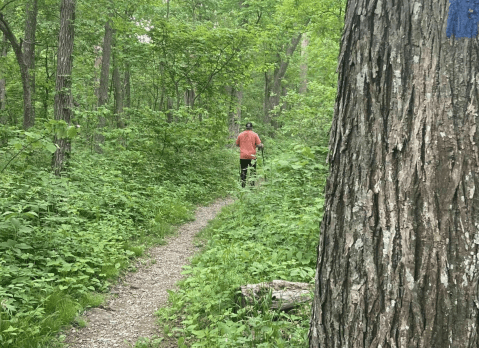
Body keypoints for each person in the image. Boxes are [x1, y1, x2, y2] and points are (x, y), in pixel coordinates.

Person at [236, 122, 263, 187]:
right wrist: (261, 146)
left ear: (246, 127)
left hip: (243, 156)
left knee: (243, 171)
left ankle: (242, 185)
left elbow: (237, 144)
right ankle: (252, 186)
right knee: (252, 172)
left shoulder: (240, 134)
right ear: (251, 128)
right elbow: (259, 144)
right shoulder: (255, 134)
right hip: (252, 156)